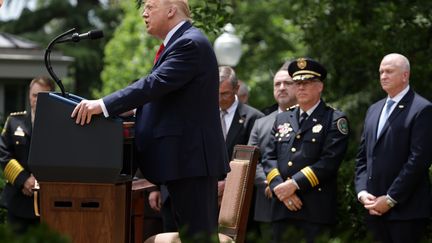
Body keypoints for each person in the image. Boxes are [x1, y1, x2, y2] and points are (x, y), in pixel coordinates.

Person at [71, 0, 229, 240]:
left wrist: (102, 105)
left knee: (199, 237)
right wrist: (133, 112)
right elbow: (170, 98)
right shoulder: (177, 43)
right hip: (183, 161)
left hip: (191, 160)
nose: (144, 13)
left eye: (150, 6)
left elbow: (153, 85)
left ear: (171, 10)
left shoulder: (189, 43)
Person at [262, 58, 349, 243]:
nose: (300, 87)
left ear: (320, 87)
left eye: (307, 83)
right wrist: (279, 188)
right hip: (281, 208)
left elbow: (329, 162)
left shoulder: (334, 119)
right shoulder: (282, 119)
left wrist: (292, 185)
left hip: (314, 211)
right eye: (297, 83)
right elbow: (268, 157)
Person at [355, 53, 432, 243]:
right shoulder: (374, 109)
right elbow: (363, 157)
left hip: (406, 211)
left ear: (405, 75)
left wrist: (390, 199)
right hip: (373, 209)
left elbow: (419, 160)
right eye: (381, 72)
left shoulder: (422, 109)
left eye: (389, 71)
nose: (383, 76)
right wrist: (363, 193)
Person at [0, 76, 55, 233]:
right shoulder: (14, 121)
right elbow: (3, 154)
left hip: (49, 201)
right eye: (34, 95)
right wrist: (24, 179)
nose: (38, 100)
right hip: (18, 201)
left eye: (43, 96)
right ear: (29, 96)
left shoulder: (60, 126)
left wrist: (39, 183)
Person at [248, 60, 297, 236]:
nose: (282, 87)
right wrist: (272, 184)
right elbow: (253, 161)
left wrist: (291, 187)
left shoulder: (309, 119)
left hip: (301, 201)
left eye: (288, 83)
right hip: (268, 204)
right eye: (277, 84)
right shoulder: (261, 123)